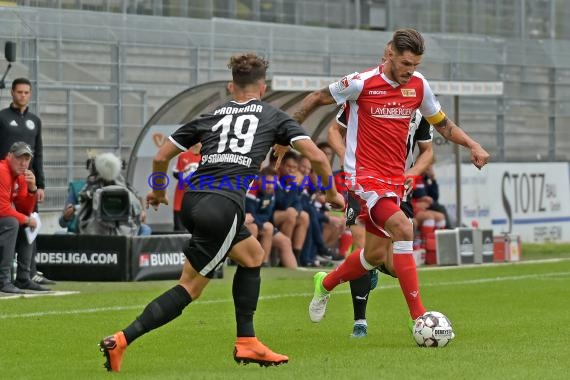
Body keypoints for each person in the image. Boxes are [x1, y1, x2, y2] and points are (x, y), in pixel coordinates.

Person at [98, 52, 344, 372]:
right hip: (223, 205)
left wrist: (158, 190)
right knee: (190, 286)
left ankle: (247, 340)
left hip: (194, 199)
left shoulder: (211, 116)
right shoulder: (273, 117)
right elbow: (320, 159)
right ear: (263, 87)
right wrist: (331, 193)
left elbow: (161, 156)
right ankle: (121, 339)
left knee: (252, 254)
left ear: (231, 87)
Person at [292, 29, 489, 331]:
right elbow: (318, 97)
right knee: (403, 226)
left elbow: (444, 125)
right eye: (406, 64)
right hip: (362, 178)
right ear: (390, 54)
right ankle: (420, 318)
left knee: (372, 256)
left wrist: (473, 145)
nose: (410, 71)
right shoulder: (361, 83)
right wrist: (287, 133)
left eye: (416, 65)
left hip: (393, 181)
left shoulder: (419, 87)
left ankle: (326, 283)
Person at [330, 106, 435, 337]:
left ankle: (373, 267)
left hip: (397, 190)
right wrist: (345, 155)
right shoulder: (363, 96)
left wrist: (414, 172)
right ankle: (360, 321)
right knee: (361, 246)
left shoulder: (419, 111)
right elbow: (333, 131)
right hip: (361, 184)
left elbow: (427, 151)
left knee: (395, 266)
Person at [0, 77, 53, 286]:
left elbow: (38, 154)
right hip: (5, 179)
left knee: (30, 218)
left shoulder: (34, 121)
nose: (23, 95)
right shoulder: (2, 118)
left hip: (23, 181)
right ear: (12, 93)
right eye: (19, 92)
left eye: (26, 92)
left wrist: (37, 186)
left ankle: (29, 271)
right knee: (15, 220)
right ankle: (7, 276)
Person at [0, 142, 48, 293]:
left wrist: (32, 189)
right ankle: (3, 280)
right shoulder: (2, 171)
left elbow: (24, 209)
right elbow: (2, 209)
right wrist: (27, 219)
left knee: (26, 223)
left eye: (27, 159)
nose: (23, 163)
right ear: (9, 156)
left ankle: (23, 278)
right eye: (19, 158)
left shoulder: (21, 176)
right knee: (12, 222)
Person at [172, 142, 201, 231]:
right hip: (181, 199)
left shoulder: (206, 157)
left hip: (199, 201)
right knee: (179, 231)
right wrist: (186, 178)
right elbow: (175, 172)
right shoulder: (183, 155)